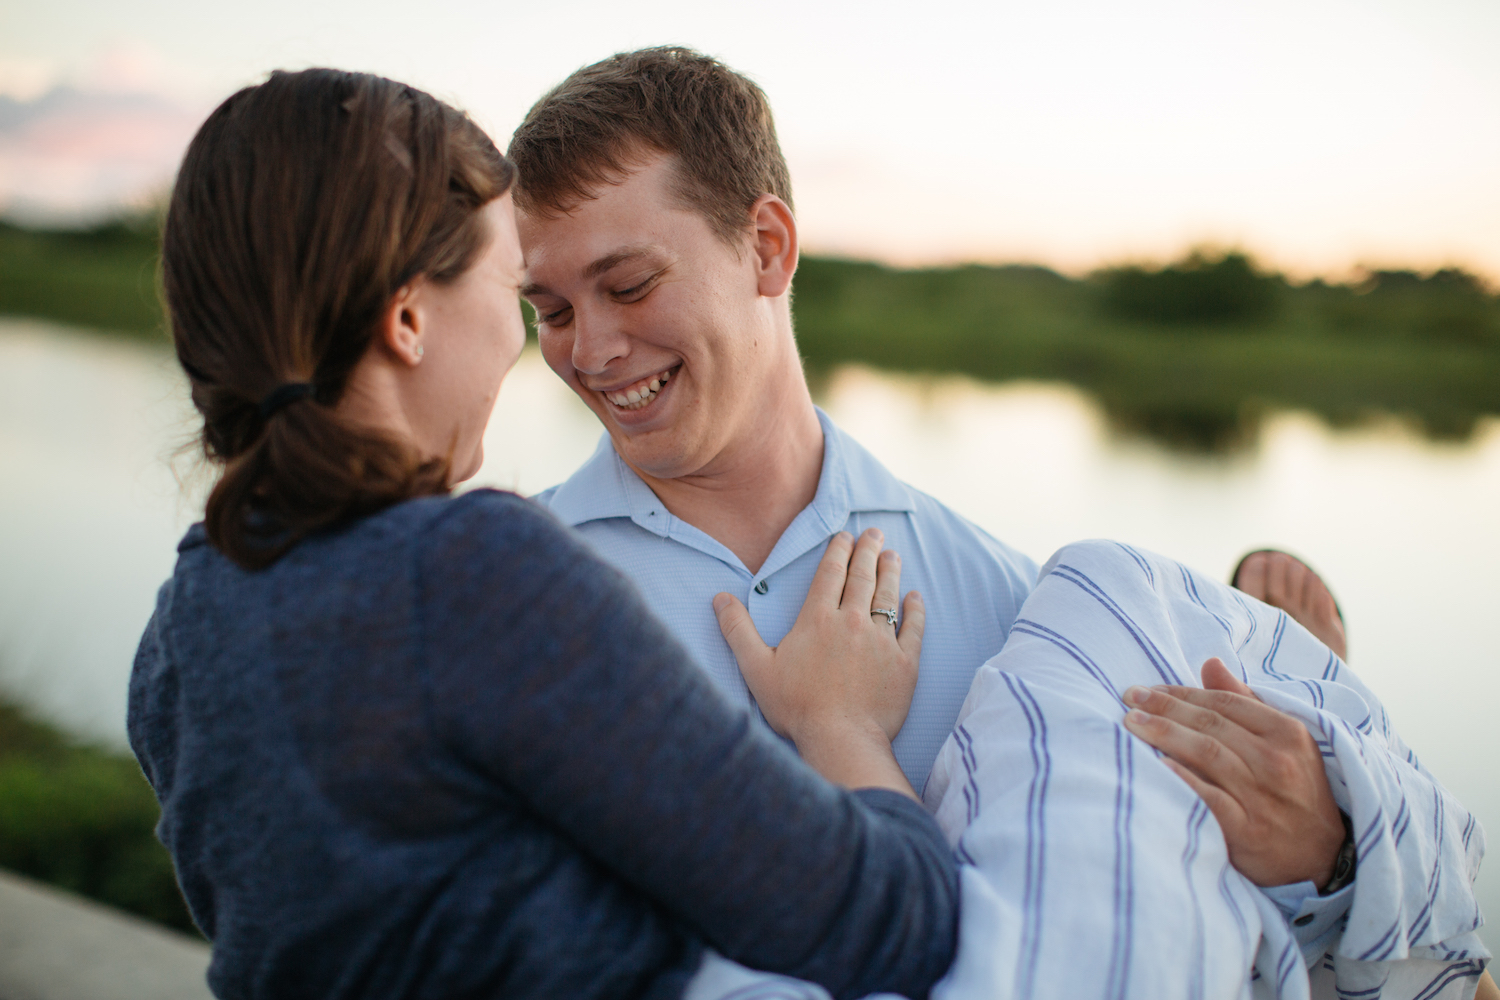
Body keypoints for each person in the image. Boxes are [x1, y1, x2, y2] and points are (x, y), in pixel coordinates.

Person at [509, 48, 1489, 998]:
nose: (588, 349)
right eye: (549, 310)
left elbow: (1188, 929)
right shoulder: (512, 602)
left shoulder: (1018, 605)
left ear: (767, 248)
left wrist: (1329, 849)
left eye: (629, 285)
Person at [128, 67, 964, 1000]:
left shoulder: (177, 633)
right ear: (407, 318)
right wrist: (842, 726)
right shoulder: (474, 575)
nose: (564, 349)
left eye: (629, 286)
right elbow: (887, 921)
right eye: (524, 298)